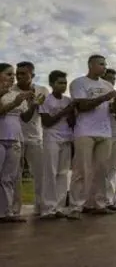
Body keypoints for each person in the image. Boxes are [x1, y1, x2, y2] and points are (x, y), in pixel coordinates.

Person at [67, 54, 116, 219]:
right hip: (85, 131)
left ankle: (99, 204)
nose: (104, 67)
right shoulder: (78, 83)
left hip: (105, 132)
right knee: (81, 169)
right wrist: (105, 97)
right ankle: (76, 206)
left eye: (105, 64)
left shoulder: (107, 85)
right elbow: (82, 106)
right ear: (90, 65)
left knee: (101, 170)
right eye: (101, 64)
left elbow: (113, 111)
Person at [12, 61, 49, 216]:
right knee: (14, 174)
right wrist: (32, 103)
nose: (19, 77)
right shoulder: (11, 91)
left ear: (32, 75)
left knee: (40, 174)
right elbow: (24, 117)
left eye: (23, 74)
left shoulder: (42, 90)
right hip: (15, 137)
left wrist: (36, 101)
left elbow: (47, 113)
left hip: (36, 137)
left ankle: (41, 207)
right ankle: (14, 209)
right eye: (17, 74)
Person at [39, 70, 76, 219]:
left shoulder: (68, 100)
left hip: (66, 138)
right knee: (50, 173)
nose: (63, 86)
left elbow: (72, 122)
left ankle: (59, 207)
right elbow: (46, 122)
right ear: (51, 84)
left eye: (65, 83)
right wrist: (65, 111)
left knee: (63, 174)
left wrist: (72, 113)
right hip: (51, 138)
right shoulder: (46, 100)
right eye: (60, 83)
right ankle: (48, 208)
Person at [0, 63, 34, 223]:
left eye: (13, 74)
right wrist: (14, 102)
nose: (13, 77)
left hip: (14, 139)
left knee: (9, 177)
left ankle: (6, 213)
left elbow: (25, 118)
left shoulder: (16, 94)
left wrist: (34, 104)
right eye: (8, 74)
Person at [101, 68, 116, 211]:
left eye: (114, 78)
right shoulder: (99, 93)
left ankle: (109, 200)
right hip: (102, 134)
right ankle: (99, 199)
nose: (112, 81)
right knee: (101, 167)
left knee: (113, 168)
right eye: (109, 78)